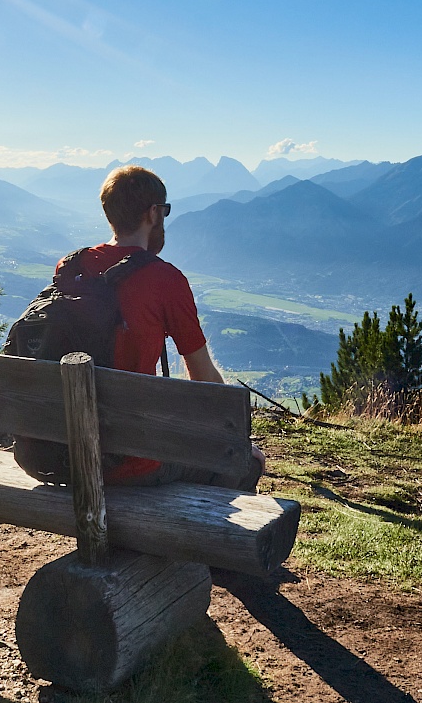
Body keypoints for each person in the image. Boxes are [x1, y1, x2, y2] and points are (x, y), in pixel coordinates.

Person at [13, 164, 264, 490]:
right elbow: (207, 384)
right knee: (245, 461)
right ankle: (187, 537)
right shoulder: (165, 280)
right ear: (153, 213)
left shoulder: (70, 267)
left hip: (53, 455)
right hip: (129, 463)